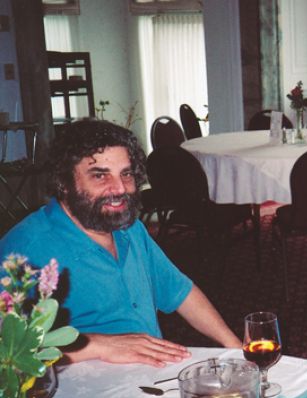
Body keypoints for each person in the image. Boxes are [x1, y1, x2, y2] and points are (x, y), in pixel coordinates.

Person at [0, 120, 241, 367]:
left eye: (126, 174)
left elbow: (181, 292)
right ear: (64, 182)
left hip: (151, 379)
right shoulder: (24, 248)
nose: (119, 188)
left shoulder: (129, 228)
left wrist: (236, 349)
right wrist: (96, 344)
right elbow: (7, 351)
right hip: (77, 391)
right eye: (100, 176)